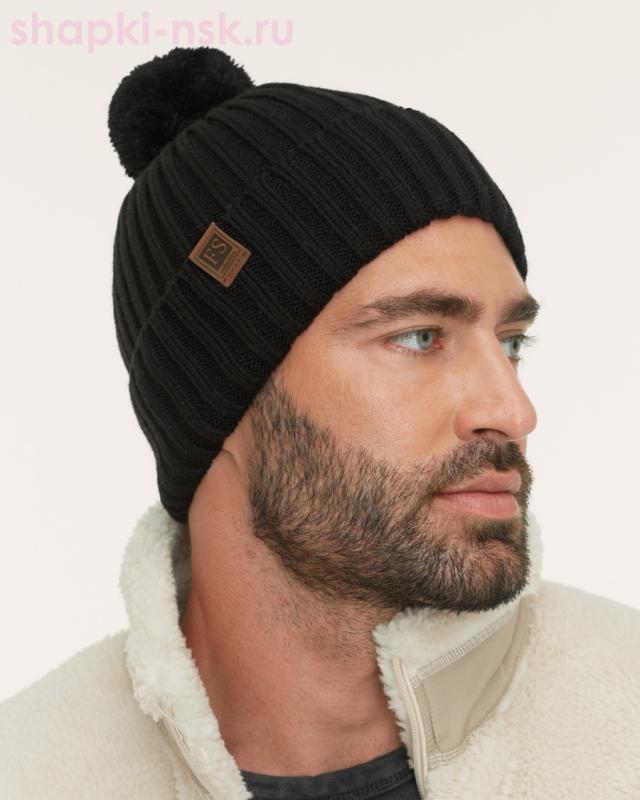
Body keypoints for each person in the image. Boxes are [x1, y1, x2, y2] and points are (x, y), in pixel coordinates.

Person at [1, 46, 638, 800]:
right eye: (419, 337)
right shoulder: (35, 772)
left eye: (510, 343)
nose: (512, 411)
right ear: (226, 392)